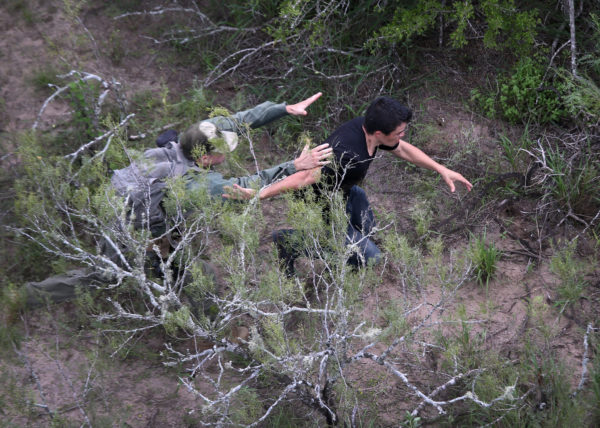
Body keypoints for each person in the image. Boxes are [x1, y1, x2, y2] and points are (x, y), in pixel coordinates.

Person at [18, 94, 330, 308]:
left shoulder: (188, 140)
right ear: (206, 158)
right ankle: (26, 297)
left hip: (127, 209)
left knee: (178, 255)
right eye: (224, 152)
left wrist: (283, 109)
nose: (229, 153)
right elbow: (245, 188)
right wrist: (293, 167)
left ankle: (168, 279)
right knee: (189, 275)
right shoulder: (192, 184)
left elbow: (237, 120)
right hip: (133, 233)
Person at [271, 96, 473, 274]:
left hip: (346, 191)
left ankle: (344, 254)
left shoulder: (367, 128)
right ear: (379, 133)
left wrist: (441, 169)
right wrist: (259, 194)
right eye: (398, 132)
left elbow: (403, 149)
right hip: (320, 202)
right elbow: (304, 177)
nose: (402, 135)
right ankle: (288, 242)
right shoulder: (347, 153)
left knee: (368, 230)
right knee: (370, 257)